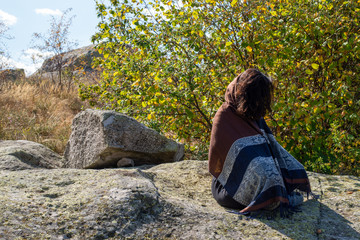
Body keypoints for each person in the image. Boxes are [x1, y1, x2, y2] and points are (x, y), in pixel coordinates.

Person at [208, 68, 311, 214]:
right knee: (268, 177)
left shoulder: (252, 113)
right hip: (227, 186)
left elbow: (269, 148)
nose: (260, 102)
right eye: (257, 96)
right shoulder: (224, 116)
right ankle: (273, 200)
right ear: (243, 94)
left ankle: (276, 196)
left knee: (284, 170)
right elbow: (238, 157)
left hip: (251, 178)